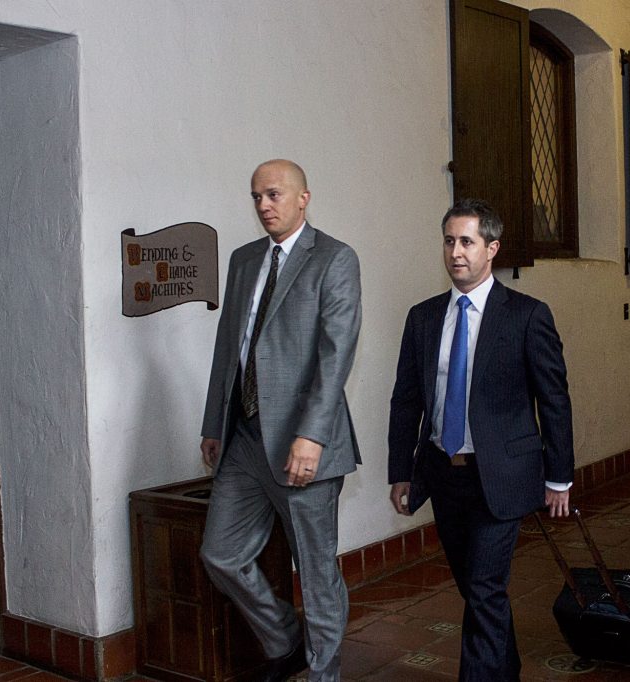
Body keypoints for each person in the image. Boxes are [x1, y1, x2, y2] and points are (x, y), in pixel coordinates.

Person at [387, 198, 574, 681]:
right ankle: (503, 669)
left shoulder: (527, 316)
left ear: (492, 248)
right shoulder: (424, 318)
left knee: (487, 588)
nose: (456, 252)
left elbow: (554, 399)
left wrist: (559, 477)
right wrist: (400, 474)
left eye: (467, 242)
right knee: (477, 589)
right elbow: (406, 400)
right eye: (449, 241)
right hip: (444, 474)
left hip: (503, 476)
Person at [199, 159, 362, 682]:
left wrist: (311, 435)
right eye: (256, 197)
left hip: (301, 443)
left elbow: (335, 356)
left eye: (273, 195)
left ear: (302, 198)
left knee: (315, 574)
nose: (264, 206)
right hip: (244, 438)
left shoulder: (334, 259)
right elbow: (230, 346)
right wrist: (213, 424)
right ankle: (286, 640)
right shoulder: (245, 260)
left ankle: (323, 673)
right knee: (220, 554)